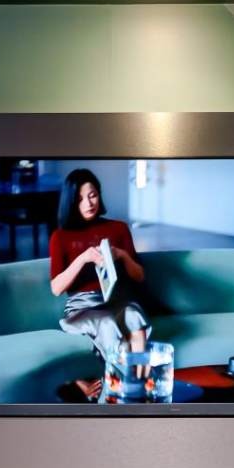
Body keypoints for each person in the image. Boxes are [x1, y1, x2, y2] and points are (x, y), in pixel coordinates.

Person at [49, 168, 149, 400]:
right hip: (83, 307)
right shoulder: (60, 236)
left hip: (117, 299)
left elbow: (140, 276)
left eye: (92, 195)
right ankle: (116, 394)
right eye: (80, 199)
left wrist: (122, 255)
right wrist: (83, 258)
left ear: (99, 195)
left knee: (134, 315)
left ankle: (137, 383)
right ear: (71, 202)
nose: (88, 203)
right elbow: (56, 288)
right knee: (106, 323)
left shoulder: (118, 228)